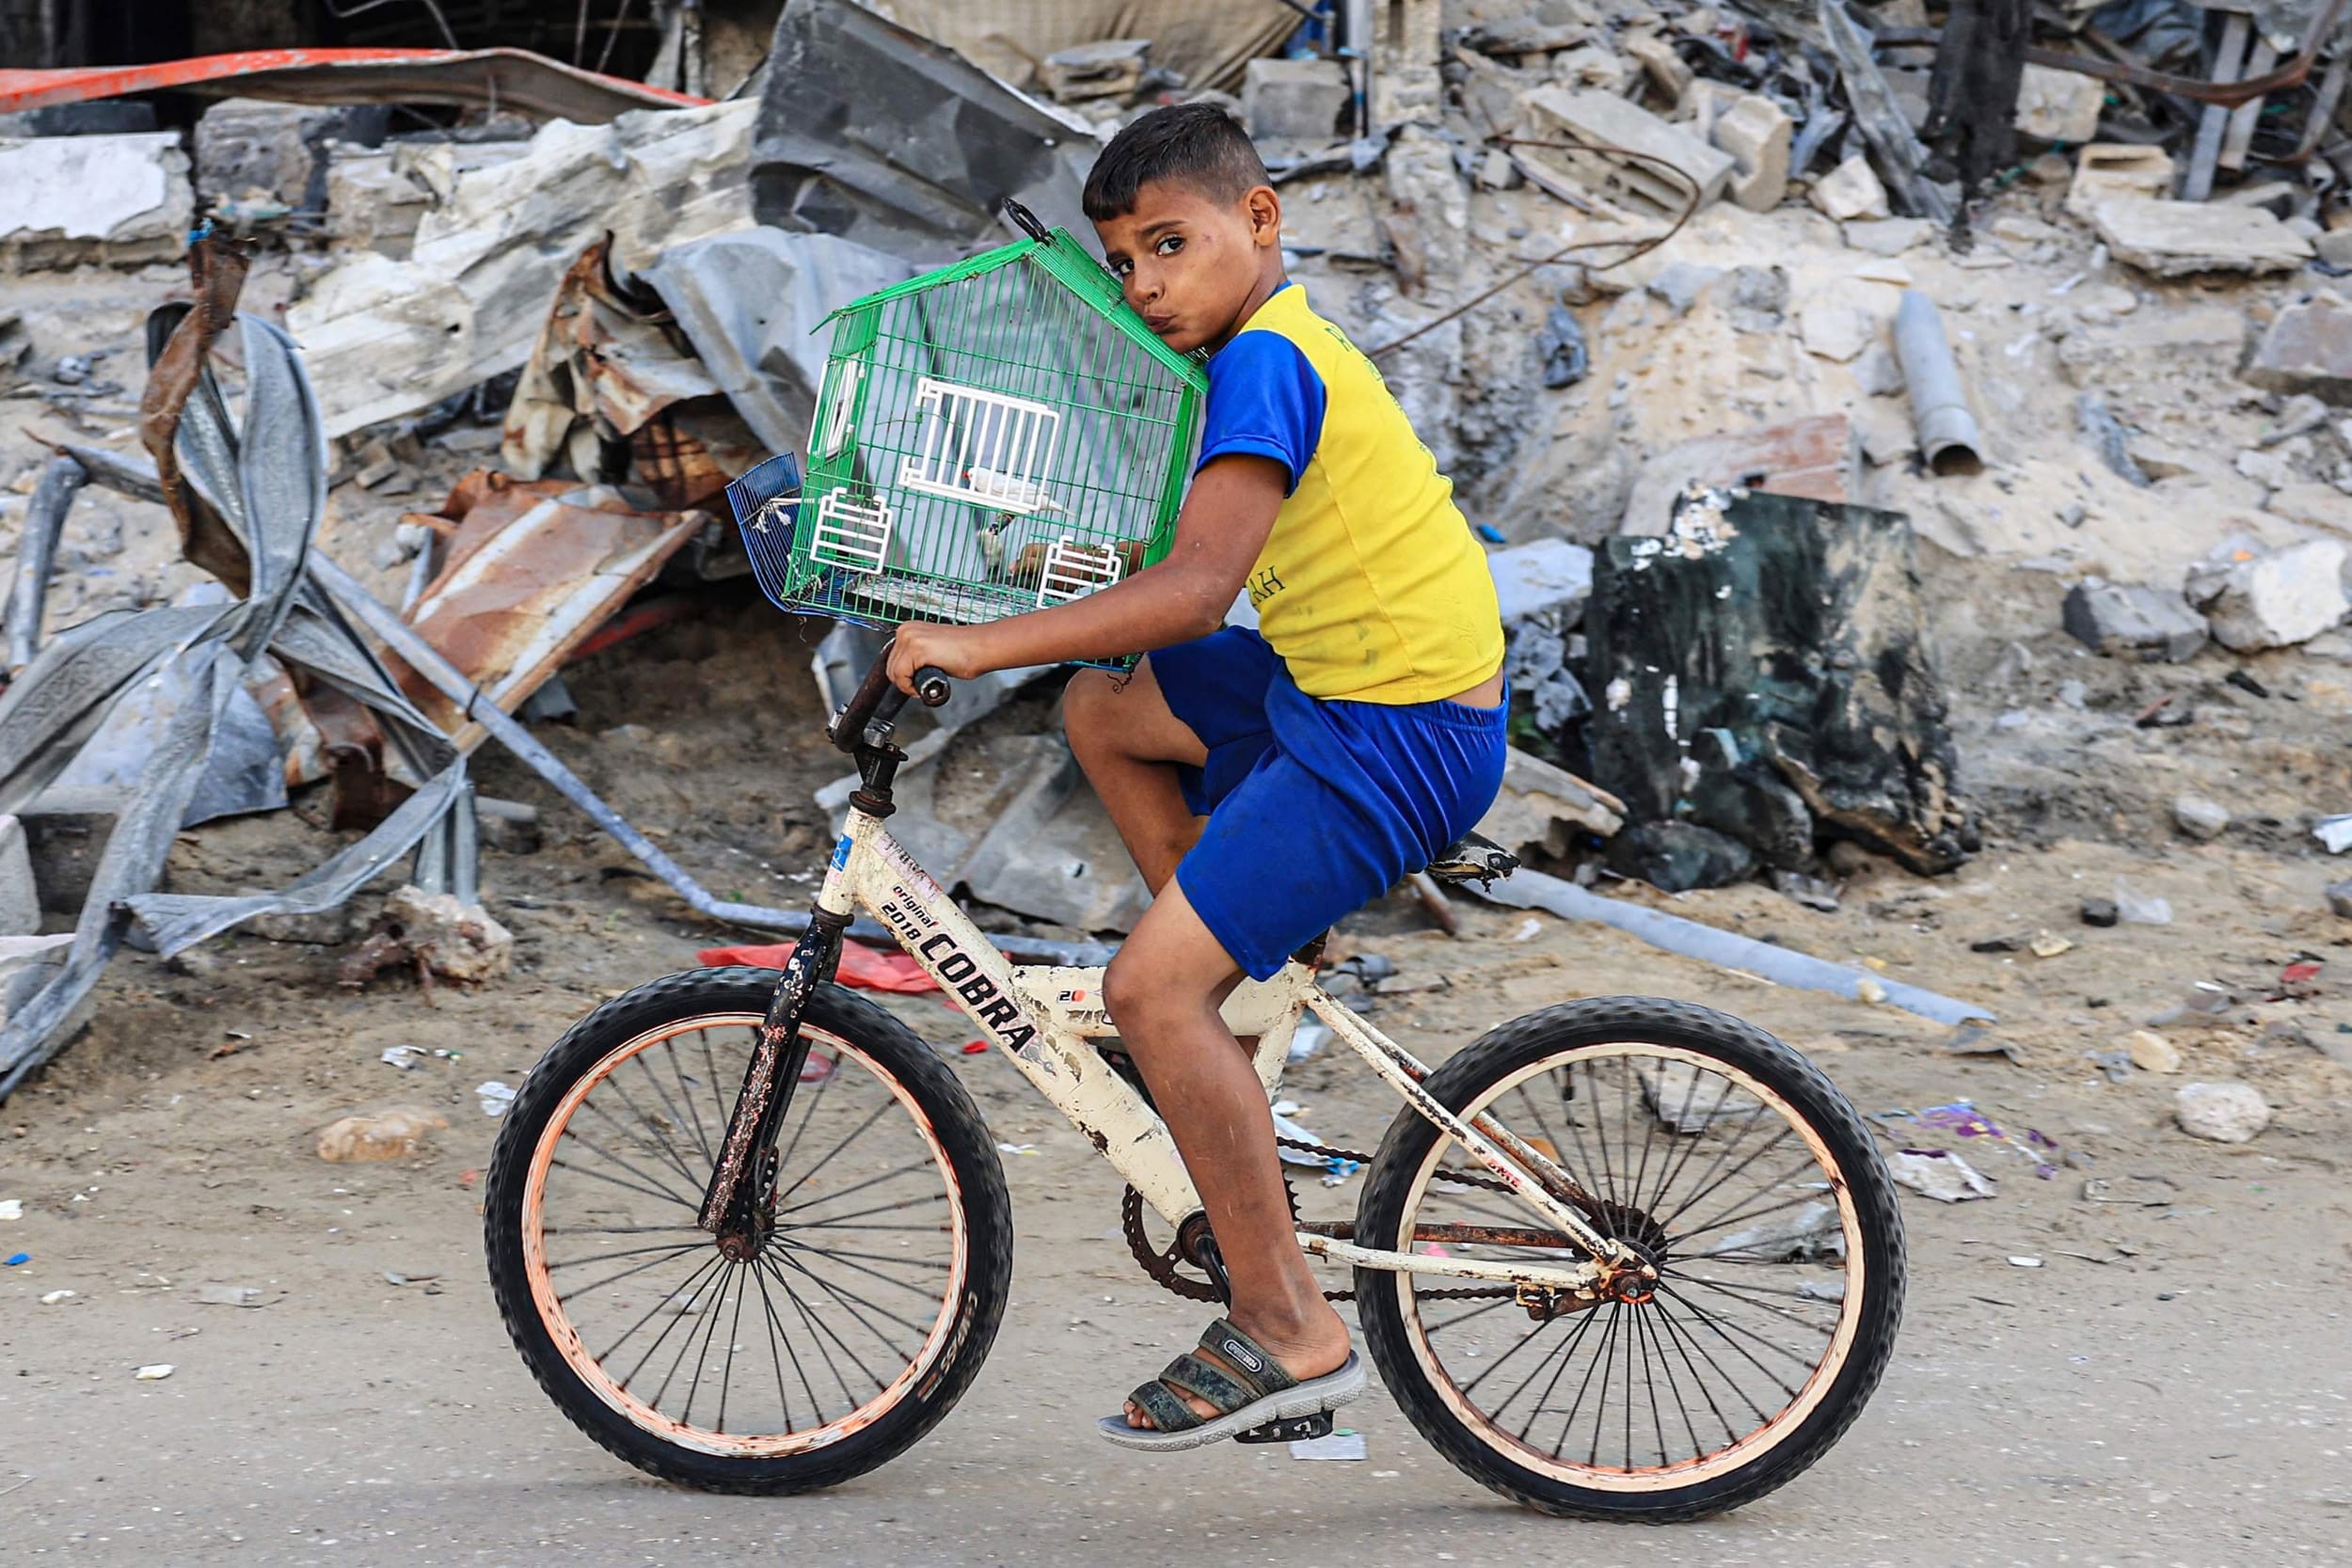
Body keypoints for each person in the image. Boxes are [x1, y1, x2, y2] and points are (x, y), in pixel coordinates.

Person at [887, 103, 1507, 1450]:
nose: (1146, 284)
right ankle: (1225, 1000)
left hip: (1395, 731)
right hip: (1337, 686)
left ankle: (1291, 1326)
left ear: (1261, 220)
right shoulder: (1254, 348)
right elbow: (1161, 574)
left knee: (1140, 987)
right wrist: (998, 582)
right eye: (1124, 261)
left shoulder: (1270, 362)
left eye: (1170, 245)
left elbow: (1198, 587)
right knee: (1107, 713)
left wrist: (978, 646)